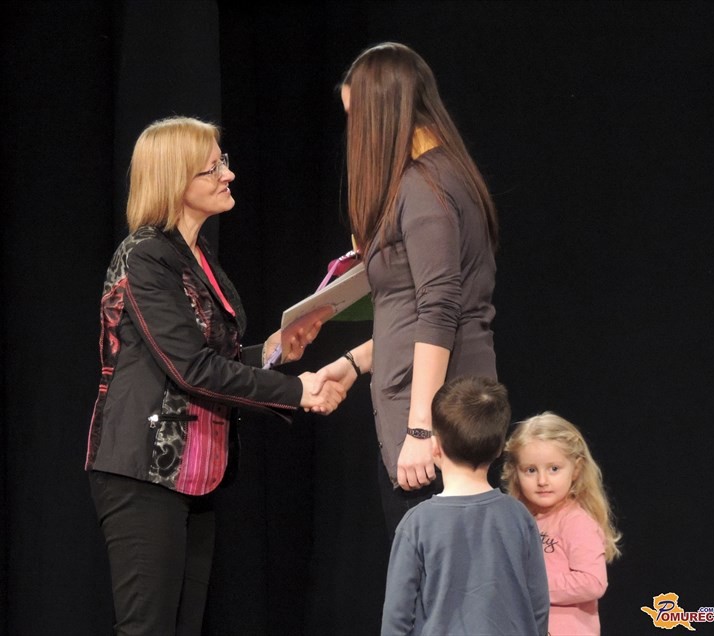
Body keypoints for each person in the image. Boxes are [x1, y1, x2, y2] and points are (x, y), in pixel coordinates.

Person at [84, 116, 346, 636]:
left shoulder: (197, 257)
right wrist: (297, 390)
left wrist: (274, 350)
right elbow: (191, 369)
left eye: (222, 162)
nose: (228, 174)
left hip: (195, 471)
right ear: (175, 180)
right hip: (144, 470)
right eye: (213, 168)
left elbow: (212, 358)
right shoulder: (145, 257)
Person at [315, 42, 499, 537]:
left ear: (382, 114)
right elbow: (415, 313)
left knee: (434, 579)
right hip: (444, 414)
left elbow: (439, 307)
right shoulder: (441, 175)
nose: (353, 133)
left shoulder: (424, 185)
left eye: (356, 117)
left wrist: (421, 428)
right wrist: (353, 363)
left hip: (438, 426)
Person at [381, 376, 549, 636]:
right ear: (499, 449)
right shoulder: (519, 516)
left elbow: (396, 617)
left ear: (435, 447)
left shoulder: (417, 524)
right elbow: (538, 604)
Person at [502, 412, 622, 636]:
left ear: (576, 469)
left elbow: (593, 582)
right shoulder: (518, 520)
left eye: (554, 469)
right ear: (515, 472)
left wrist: (532, 586)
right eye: (531, 470)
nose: (542, 481)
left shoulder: (576, 521)